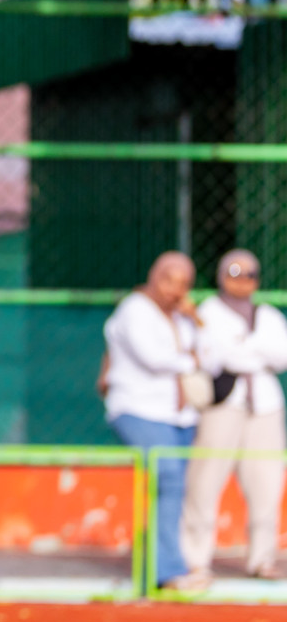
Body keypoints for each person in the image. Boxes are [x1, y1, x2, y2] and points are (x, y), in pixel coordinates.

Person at [179, 250, 287, 584]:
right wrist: (254, 352)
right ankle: (196, 559)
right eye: (235, 274)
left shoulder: (268, 314)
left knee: (267, 483)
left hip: (265, 406)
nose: (242, 281)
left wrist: (245, 348)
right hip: (224, 403)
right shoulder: (209, 311)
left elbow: (281, 356)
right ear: (222, 275)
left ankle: (262, 558)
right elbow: (214, 356)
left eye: (249, 274)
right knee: (205, 480)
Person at [102, 251, 200, 590]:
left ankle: (164, 565)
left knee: (173, 487)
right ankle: (166, 571)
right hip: (138, 410)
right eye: (168, 279)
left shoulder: (184, 316)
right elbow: (153, 359)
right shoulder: (135, 309)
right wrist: (191, 360)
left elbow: (211, 353)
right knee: (168, 477)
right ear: (154, 276)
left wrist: (196, 322)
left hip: (180, 415)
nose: (175, 289)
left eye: (183, 283)